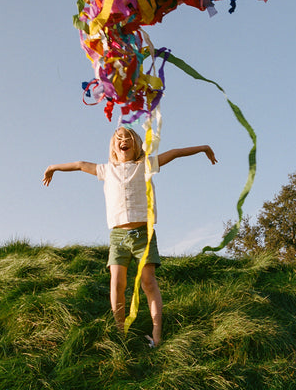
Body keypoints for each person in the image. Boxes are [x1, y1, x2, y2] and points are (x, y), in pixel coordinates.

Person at [43, 127, 217, 346]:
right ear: (114, 147)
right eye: (119, 139)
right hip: (118, 237)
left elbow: (174, 153)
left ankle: (157, 335)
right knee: (117, 283)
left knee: (148, 283)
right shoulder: (106, 170)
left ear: (136, 145)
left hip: (144, 234)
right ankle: (119, 334)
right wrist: (52, 168)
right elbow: (79, 165)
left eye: (128, 139)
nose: (123, 141)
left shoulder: (145, 165)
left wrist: (204, 148)